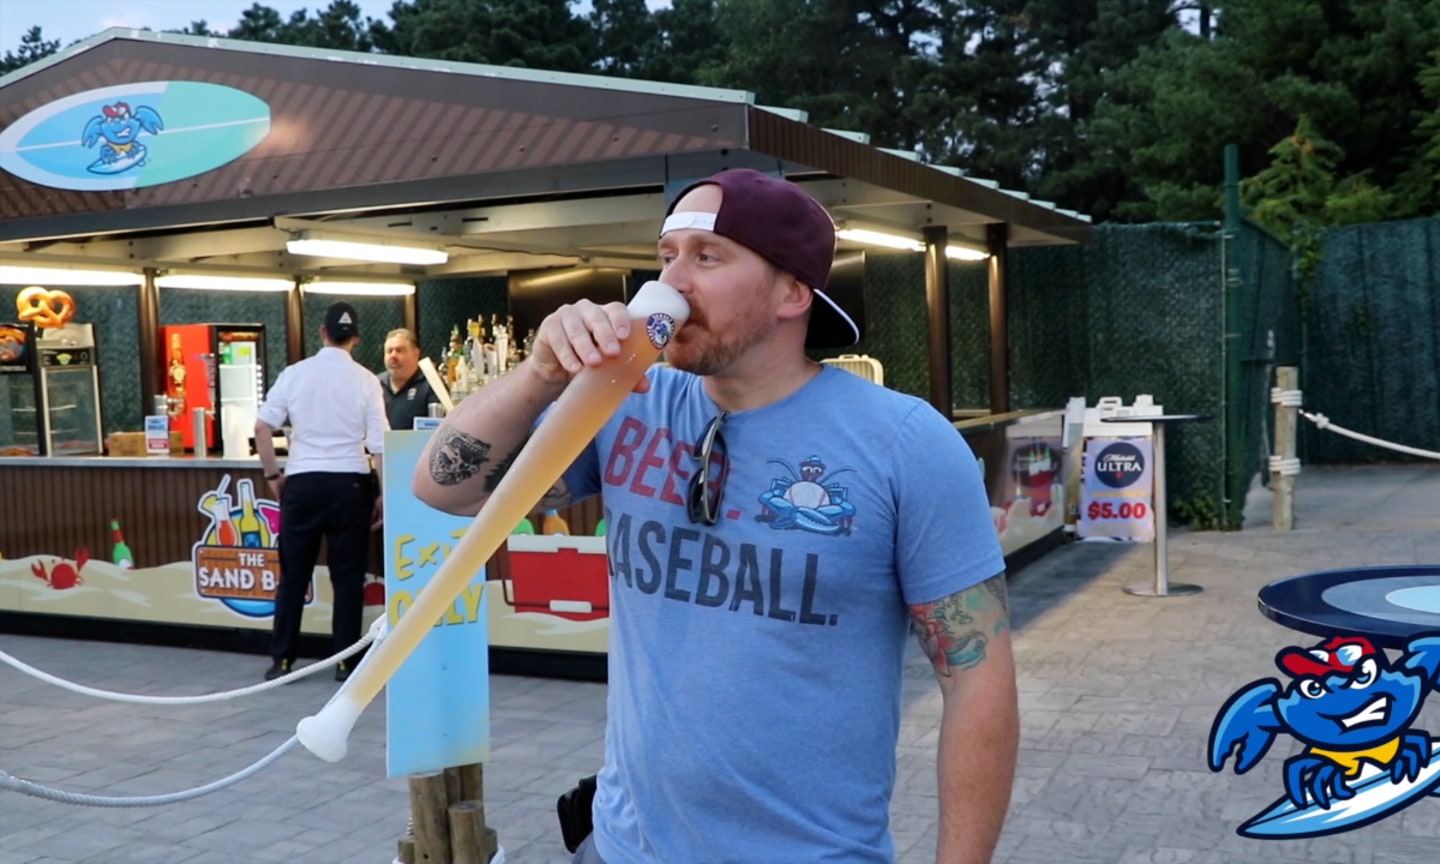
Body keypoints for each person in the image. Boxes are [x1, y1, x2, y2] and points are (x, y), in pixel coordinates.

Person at [412, 169, 1019, 864]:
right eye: (667, 254)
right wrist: (541, 372)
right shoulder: (623, 401)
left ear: (793, 293)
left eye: (707, 255)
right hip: (618, 847)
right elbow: (443, 489)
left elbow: (977, 677)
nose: (672, 281)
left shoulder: (904, 445)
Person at [256, 301, 388, 683]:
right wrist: (383, 494)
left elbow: (263, 428)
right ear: (356, 338)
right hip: (350, 483)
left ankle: (282, 660)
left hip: (303, 482)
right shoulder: (366, 380)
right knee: (347, 578)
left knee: (294, 576)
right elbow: (379, 445)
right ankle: (345, 662)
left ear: (322, 333)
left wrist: (273, 477)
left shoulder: (295, 374)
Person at [379, 328, 439, 430]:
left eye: (399, 350)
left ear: (416, 354)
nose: (393, 356)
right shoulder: (375, 385)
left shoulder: (431, 385)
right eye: (389, 351)